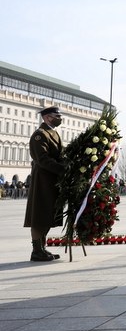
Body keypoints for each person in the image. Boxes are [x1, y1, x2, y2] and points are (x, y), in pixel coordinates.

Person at [24, 105, 67, 262]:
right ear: (47, 117)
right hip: (43, 181)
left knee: (48, 214)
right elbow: (42, 159)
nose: (60, 118)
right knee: (39, 215)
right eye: (57, 116)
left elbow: (59, 155)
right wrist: (63, 169)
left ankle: (42, 248)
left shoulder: (53, 133)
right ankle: (37, 250)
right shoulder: (40, 135)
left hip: (52, 180)